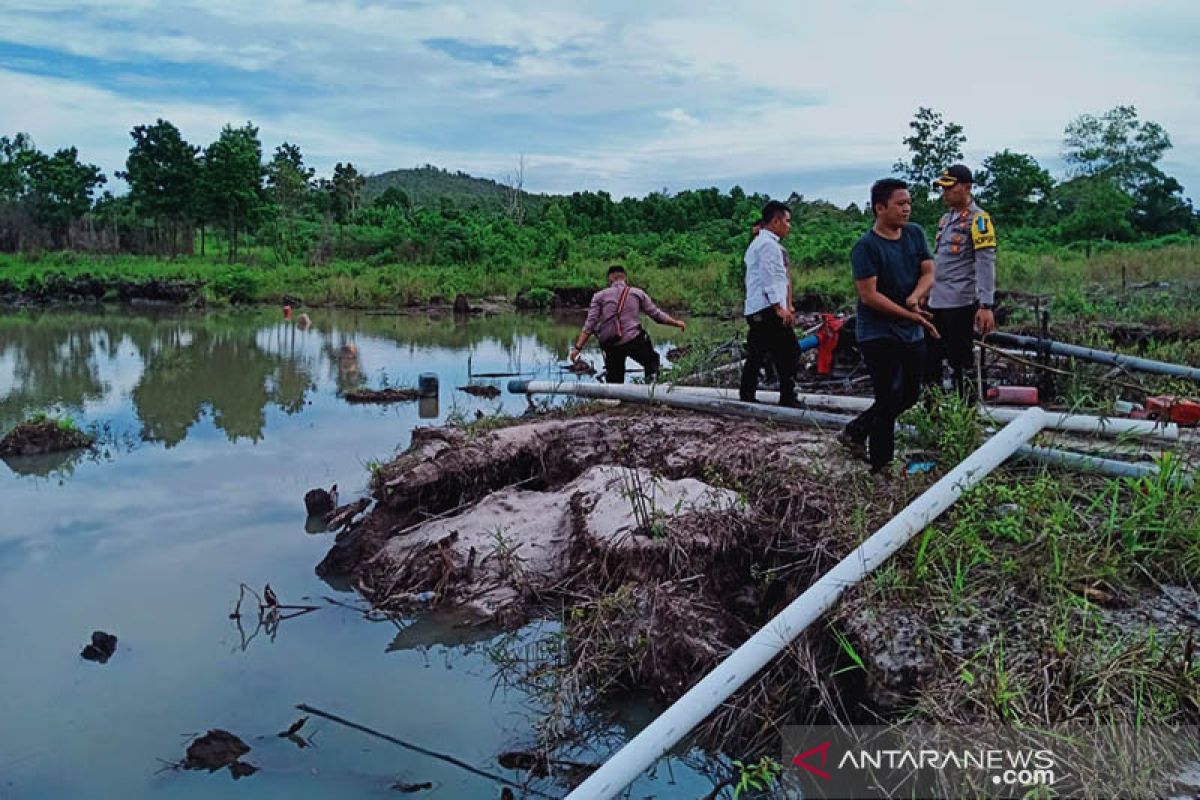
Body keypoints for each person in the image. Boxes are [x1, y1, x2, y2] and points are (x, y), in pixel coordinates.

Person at [837, 179, 940, 476]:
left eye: (908, 202)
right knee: (888, 395)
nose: (907, 208)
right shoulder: (865, 247)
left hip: (912, 328)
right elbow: (869, 296)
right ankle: (881, 464)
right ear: (879, 208)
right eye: (900, 203)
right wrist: (911, 315)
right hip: (877, 332)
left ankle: (856, 431)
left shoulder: (915, 234)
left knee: (909, 394)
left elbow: (929, 271)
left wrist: (915, 297)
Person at [925, 164, 997, 400]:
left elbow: (985, 261)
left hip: (960, 302)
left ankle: (965, 416)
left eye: (950, 187)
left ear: (967, 187)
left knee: (961, 364)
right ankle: (932, 413)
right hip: (936, 301)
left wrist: (986, 305)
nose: (945, 193)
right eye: (943, 188)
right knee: (932, 361)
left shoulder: (979, 220)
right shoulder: (946, 219)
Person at [570, 265, 686, 383]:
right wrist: (676, 323)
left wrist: (577, 348)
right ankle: (651, 392)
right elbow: (656, 315)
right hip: (634, 340)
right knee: (652, 360)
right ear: (625, 277)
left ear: (610, 278)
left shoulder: (599, 296)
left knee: (615, 379)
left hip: (611, 343)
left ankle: (616, 399)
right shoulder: (637, 293)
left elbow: (589, 325)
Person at [739, 200, 799, 406]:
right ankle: (787, 397)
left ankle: (747, 396)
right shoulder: (767, 245)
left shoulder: (763, 244)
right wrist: (779, 308)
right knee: (788, 352)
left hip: (758, 308)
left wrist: (787, 305)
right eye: (787, 221)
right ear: (775, 221)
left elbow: (782, 279)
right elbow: (769, 279)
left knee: (758, 353)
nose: (789, 226)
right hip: (766, 309)